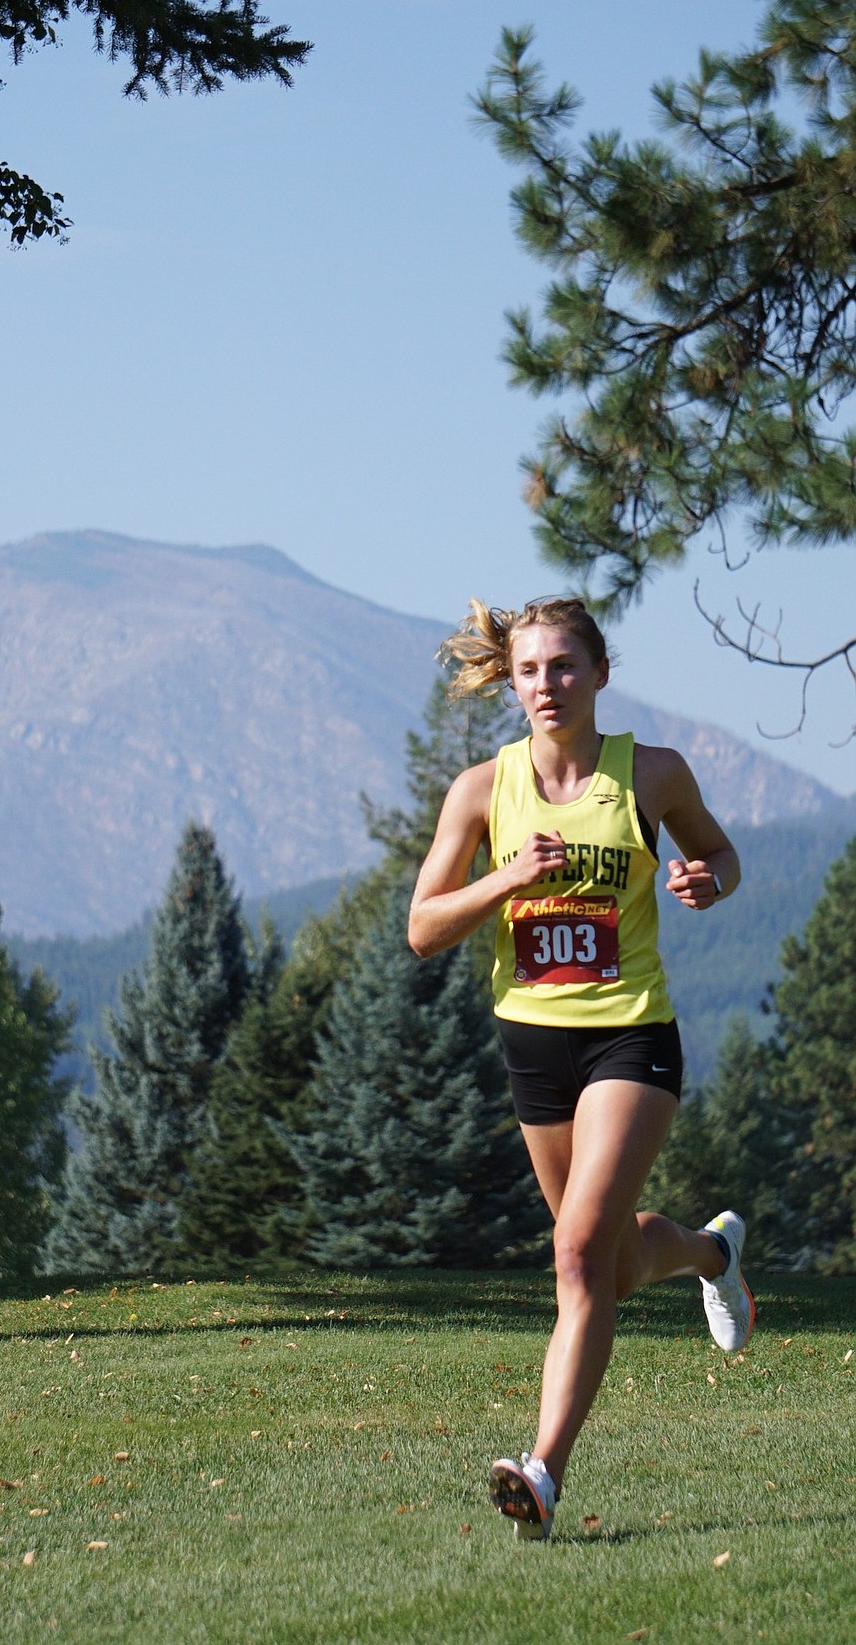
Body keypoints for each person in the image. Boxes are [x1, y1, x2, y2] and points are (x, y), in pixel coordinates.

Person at [408, 596, 753, 1542]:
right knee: (603, 1260)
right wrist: (505, 879)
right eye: (529, 670)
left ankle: (543, 1472)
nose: (547, 685)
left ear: (600, 673)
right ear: (509, 683)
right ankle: (713, 1254)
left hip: (629, 1039)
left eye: (565, 666)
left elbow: (720, 856)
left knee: (573, 1254)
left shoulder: (650, 775)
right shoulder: (482, 791)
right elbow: (423, 928)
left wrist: (703, 882)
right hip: (533, 1046)